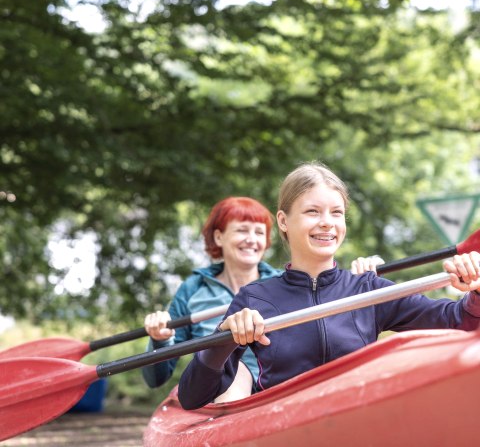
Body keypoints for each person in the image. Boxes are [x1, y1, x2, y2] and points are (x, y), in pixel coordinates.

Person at [178, 162, 480, 410]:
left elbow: (460, 321)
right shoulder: (255, 298)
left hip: (356, 425)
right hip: (282, 430)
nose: (327, 222)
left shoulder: (369, 290)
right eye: (312, 212)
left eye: (337, 213)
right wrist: (226, 337)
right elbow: (192, 396)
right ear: (283, 221)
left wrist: (476, 291)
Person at [142, 195, 381, 402]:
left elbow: (327, 319)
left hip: (281, 381)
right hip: (223, 387)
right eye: (242, 230)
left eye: (259, 232)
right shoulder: (193, 290)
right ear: (218, 238)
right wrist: (159, 340)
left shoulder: (286, 283)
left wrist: (362, 281)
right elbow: (156, 378)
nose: (252, 239)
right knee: (238, 371)